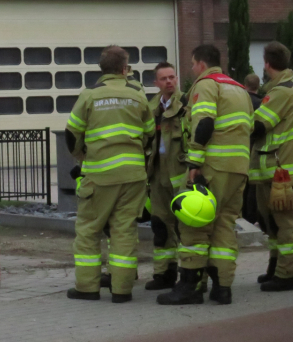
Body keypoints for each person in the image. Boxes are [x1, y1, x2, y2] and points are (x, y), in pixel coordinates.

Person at [157, 44, 253, 306]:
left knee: (194, 224)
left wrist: (194, 163)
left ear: (200, 63)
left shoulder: (206, 85)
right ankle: (222, 288)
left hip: (213, 166)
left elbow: (205, 123)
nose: (190, 69)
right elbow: (250, 128)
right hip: (238, 168)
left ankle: (189, 287)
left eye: (191, 64)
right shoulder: (239, 89)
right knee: (224, 225)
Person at [65, 46, 154, 303]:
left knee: (89, 231)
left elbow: (72, 133)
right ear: (124, 69)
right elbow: (150, 132)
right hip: (133, 176)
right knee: (124, 231)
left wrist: (81, 156)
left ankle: (87, 288)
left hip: (99, 176)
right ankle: (122, 290)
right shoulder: (138, 95)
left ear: (101, 69)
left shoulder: (90, 95)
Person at [249, 41, 293, 291]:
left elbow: (258, 126)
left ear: (267, 64)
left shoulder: (282, 91)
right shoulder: (279, 89)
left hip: (280, 169)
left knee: (283, 223)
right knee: (270, 221)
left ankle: (288, 274)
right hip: (269, 167)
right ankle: (275, 266)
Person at [145, 62, 187, 290]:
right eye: (164, 78)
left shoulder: (187, 104)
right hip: (158, 172)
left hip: (180, 173)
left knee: (185, 227)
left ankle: (189, 273)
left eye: (172, 77)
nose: (169, 81)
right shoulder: (151, 107)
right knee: (160, 225)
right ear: (156, 83)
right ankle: (164, 273)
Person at [241, 73, 262, 224]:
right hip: (255, 146)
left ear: (244, 85)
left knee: (243, 184)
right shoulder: (261, 103)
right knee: (253, 184)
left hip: (241, 145)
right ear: (258, 85)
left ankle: (244, 215)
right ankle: (253, 215)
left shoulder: (240, 102)